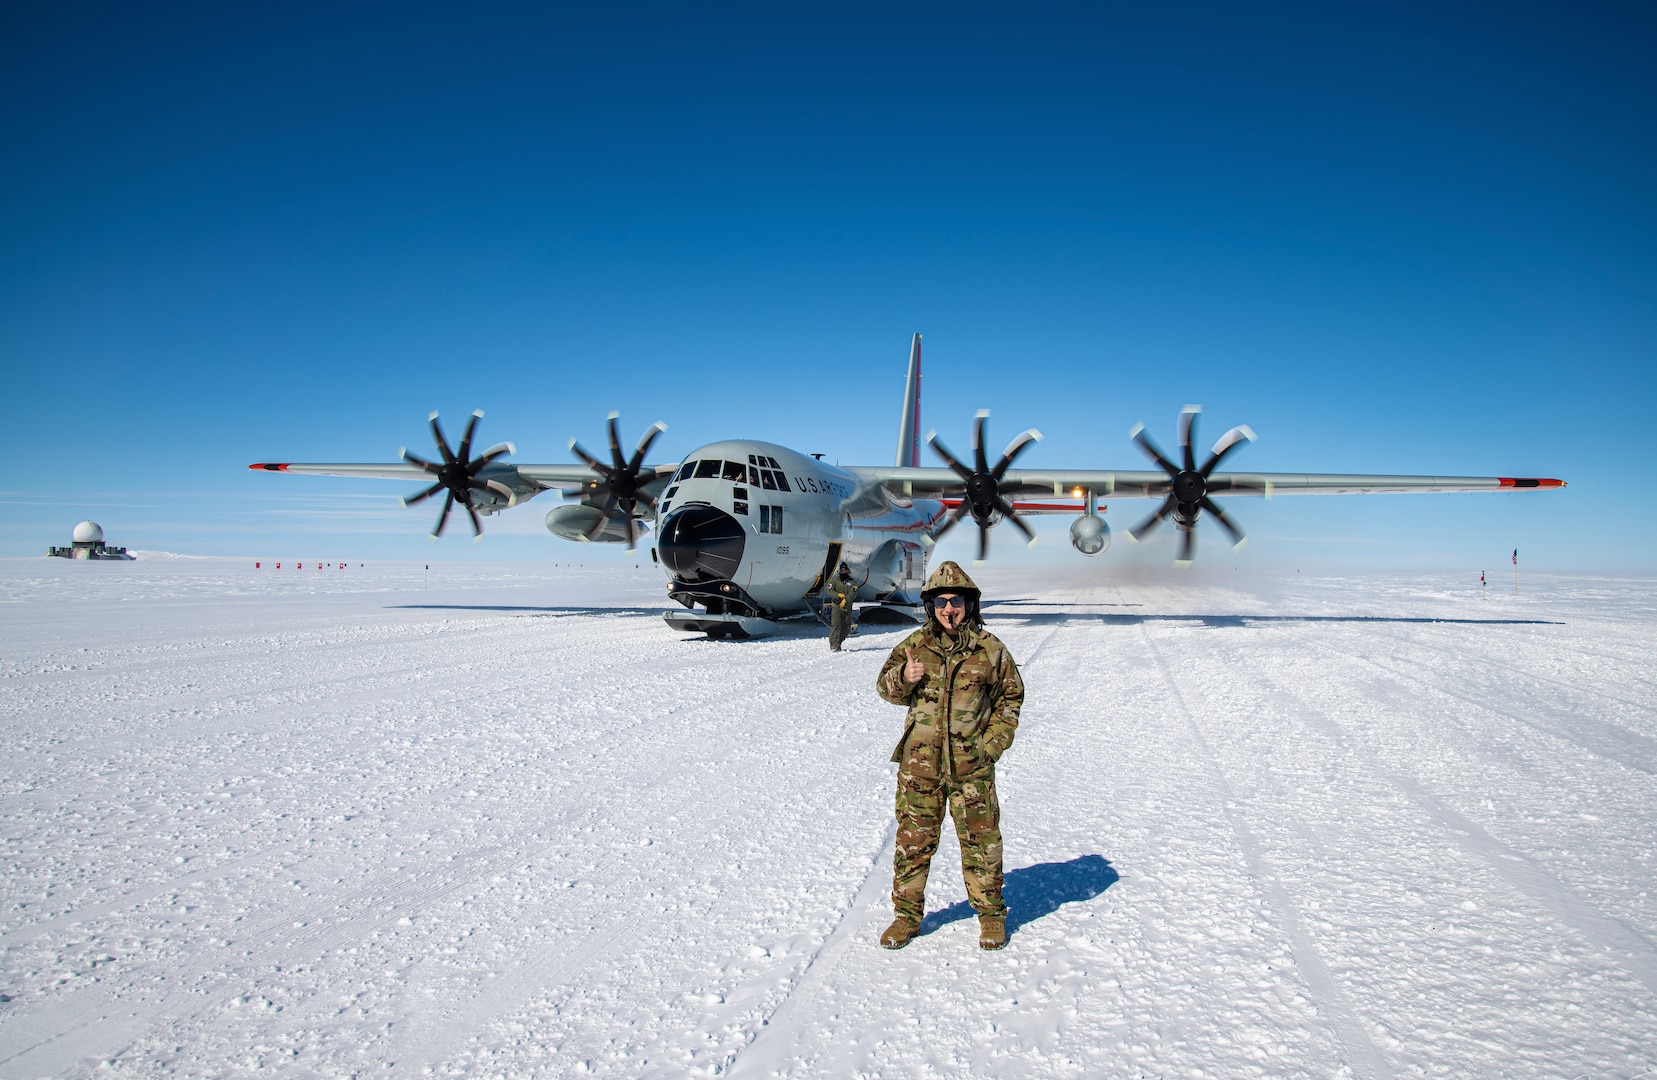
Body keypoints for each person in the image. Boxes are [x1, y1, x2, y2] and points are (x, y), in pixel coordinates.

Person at [874, 560, 1024, 951]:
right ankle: (906, 917)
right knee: (912, 843)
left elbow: (1012, 697)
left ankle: (991, 915)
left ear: (969, 603)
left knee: (981, 844)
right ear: (930, 606)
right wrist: (901, 679)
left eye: (956, 601)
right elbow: (885, 688)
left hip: (971, 770)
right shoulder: (914, 646)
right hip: (919, 769)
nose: (948, 609)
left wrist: (990, 746)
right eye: (940, 602)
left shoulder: (989, 649)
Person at [825, 561, 857, 651]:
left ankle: (838, 642)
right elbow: (829, 591)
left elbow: (853, 593)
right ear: (839, 572)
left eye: (845, 572)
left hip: (847, 607)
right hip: (836, 606)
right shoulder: (834, 580)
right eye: (842, 571)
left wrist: (845, 600)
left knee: (847, 627)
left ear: (848, 572)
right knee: (836, 625)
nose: (844, 573)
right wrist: (837, 595)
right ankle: (834, 645)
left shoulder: (852, 582)